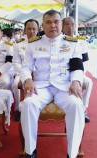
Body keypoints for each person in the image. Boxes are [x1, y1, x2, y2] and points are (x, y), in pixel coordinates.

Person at [19, 10, 85, 158]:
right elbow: (25, 67)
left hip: (64, 87)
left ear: (61, 24)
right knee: (28, 104)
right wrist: (27, 79)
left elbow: (78, 67)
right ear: (42, 25)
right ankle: (30, 151)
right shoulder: (33, 44)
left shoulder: (72, 43)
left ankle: (72, 153)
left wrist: (75, 81)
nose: (53, 25)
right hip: (41, 87)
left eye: (56, 21)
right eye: (48, 22)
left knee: (76, 105)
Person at [63, 16, 93, 122]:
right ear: (63, 26)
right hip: (63, 73)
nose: (70, 27)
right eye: (67, 24)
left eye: (73, 24)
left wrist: (81, 75)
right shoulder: (59, 40)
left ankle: (83, 109)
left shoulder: (81, 41)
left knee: (88, 82)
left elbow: (85, 60)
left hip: (78, 71)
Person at [12, 19, 39, 121]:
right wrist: (25, 74)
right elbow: (16, 62)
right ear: (24, 30)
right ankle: (20, 109)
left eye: (34, 29)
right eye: (29, 29)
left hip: (39, 72)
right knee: (15, 83)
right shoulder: (18, 44)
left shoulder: (43, 42)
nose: (31, 31)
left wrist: (35, 72)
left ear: (38, 29)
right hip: (22, 71)